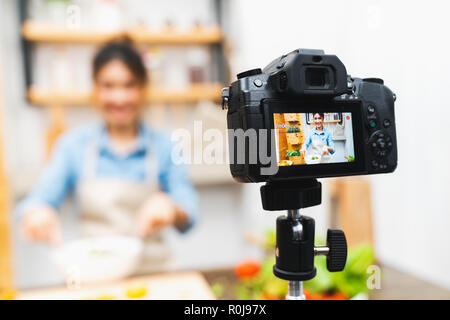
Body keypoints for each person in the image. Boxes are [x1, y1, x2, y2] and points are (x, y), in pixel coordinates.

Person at [17, 38, 198, 271]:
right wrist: (37, 212)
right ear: (95, 88)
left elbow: (190, 211)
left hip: (155, 276)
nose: (119, 98)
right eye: (108, 86)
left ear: (143, 88)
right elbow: (39, 199)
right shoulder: (73, 145)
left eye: (129, 85)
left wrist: (173, 208)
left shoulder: (166, 146)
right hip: (94, 277)